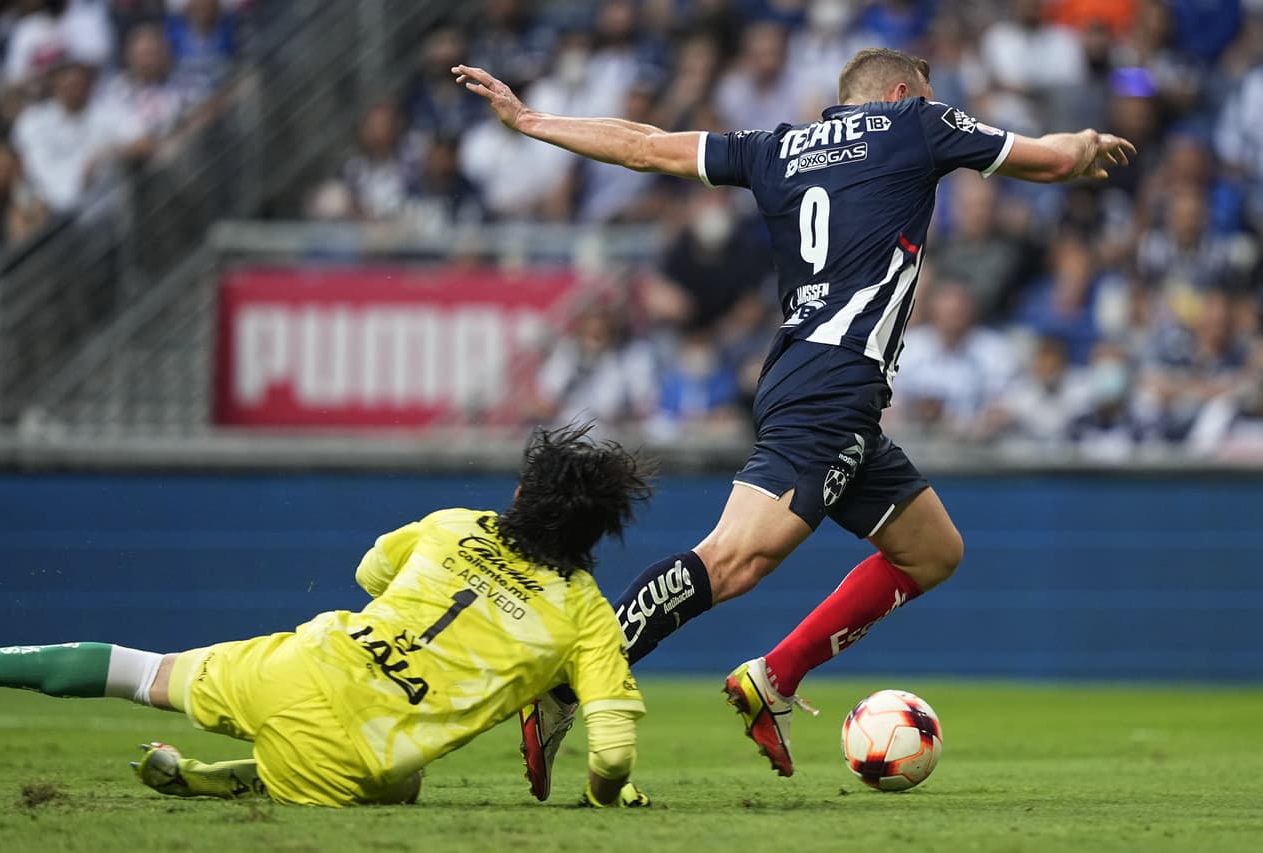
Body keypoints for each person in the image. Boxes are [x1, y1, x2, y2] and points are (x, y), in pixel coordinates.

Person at [455, 46, 1136, 789]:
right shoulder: (917, 123)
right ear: (904, 91)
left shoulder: (775, 146)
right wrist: (1084, 146)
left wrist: (532, 120)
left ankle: (772, 677)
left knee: (932, 550)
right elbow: (1046, 161)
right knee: (733, 560)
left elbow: (646, 147)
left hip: (817, 379)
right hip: (829, 386)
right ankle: (559, 689)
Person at [0, 425, 654, 808]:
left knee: (142, 670)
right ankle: (247, 774)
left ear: (520, 494)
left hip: (296, 664)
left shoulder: (453, 524)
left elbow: (368, 573)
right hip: (352, 756)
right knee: (400, 783)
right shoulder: (585, 615)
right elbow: (615, 751)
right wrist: (600, 795)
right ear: (597, 533)